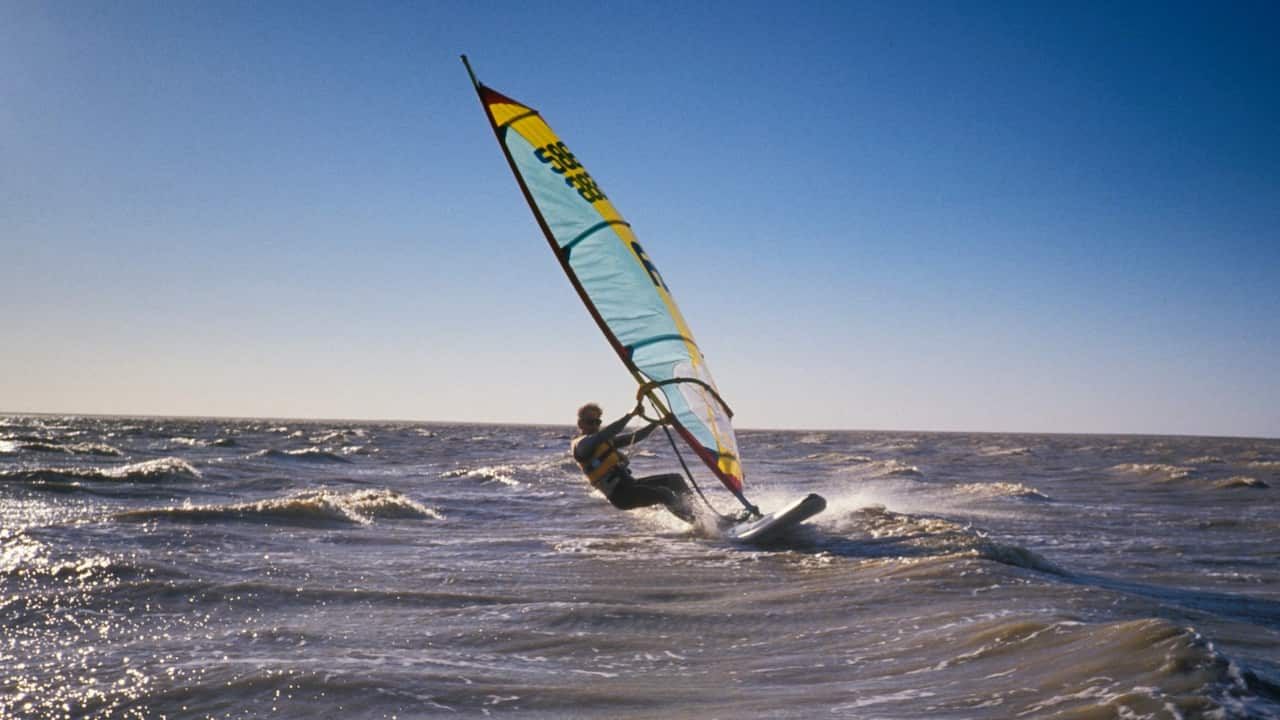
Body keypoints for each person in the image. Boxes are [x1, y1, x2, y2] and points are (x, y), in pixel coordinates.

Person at [571, 402, 696, 523]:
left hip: (631, 485)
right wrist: (630, 415)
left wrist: (657, 423)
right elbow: (607, 433)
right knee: (664, 494)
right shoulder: (581, 445)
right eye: (590, 422)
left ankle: (698, 512)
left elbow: (634, 437)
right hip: (621, 496)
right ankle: (696, 524)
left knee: (675, 480)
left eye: (597, 422)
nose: (594, 426)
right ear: (580, 424)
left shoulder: (605, 441)